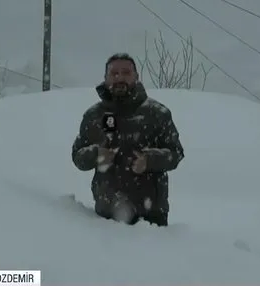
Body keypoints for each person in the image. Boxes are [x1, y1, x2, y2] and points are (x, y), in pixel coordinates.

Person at [71, 53, 184, 226]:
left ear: (136, 77)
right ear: (106, 78)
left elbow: (176, 153)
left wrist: (149, 160)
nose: (119, 78)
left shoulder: (157, 113)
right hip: (105, 220)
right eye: (114, 73)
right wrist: (97, 154)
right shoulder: (93, 116)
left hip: (151, 222)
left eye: (126, 73)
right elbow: (78, 157)